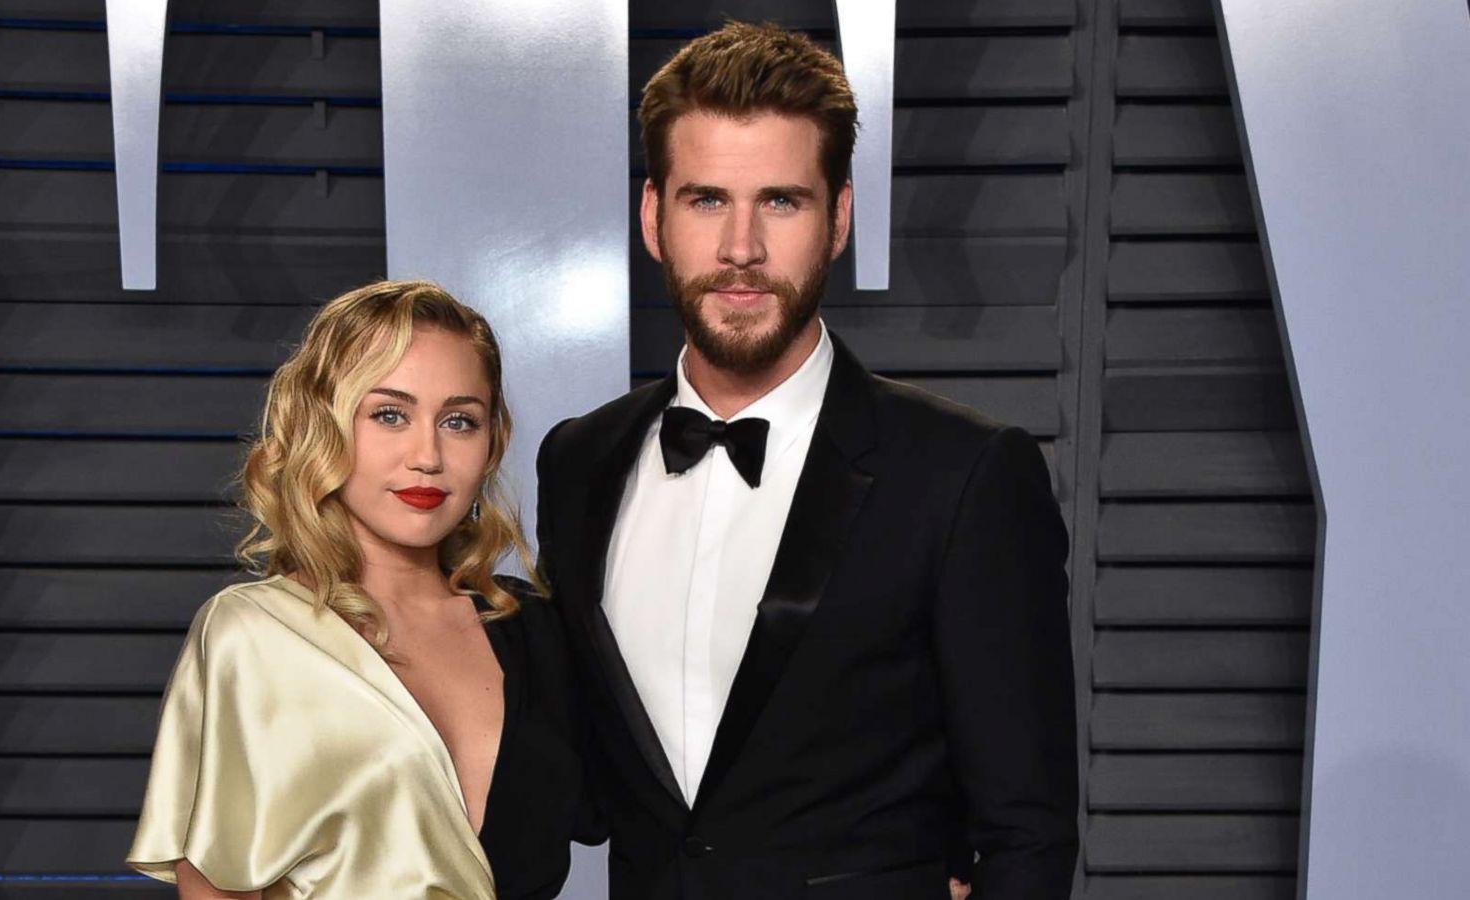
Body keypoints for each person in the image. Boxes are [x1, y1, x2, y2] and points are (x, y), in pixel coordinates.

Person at [534, 22, 1079, 900]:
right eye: (706, 199)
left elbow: (1028, 831)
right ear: (652, 217)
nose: (741, 247)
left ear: (839, 219)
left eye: (781, 201)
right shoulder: (578, 461)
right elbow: (581, 782)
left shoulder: (966, 475)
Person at [127, 280, 596, 899]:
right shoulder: (256, 635)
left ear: (490, 443)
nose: (427, 454)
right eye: (389, 414)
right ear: (324, 428)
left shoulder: (532, 625)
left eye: (459, 421)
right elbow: (217, 888)